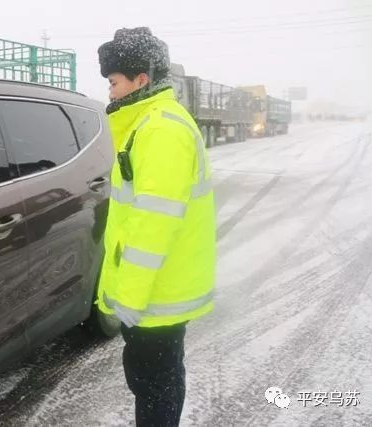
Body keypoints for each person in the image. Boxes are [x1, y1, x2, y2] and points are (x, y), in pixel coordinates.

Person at [96, 27, 216, 426]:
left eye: (114, 82)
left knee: (154, 387)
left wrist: (128, 302)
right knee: (160, 382)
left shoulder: (160, 130)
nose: (110, 92)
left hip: (154, 298)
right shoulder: (149, 125)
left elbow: (153, 226)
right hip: (158, 291)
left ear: (140, 80)